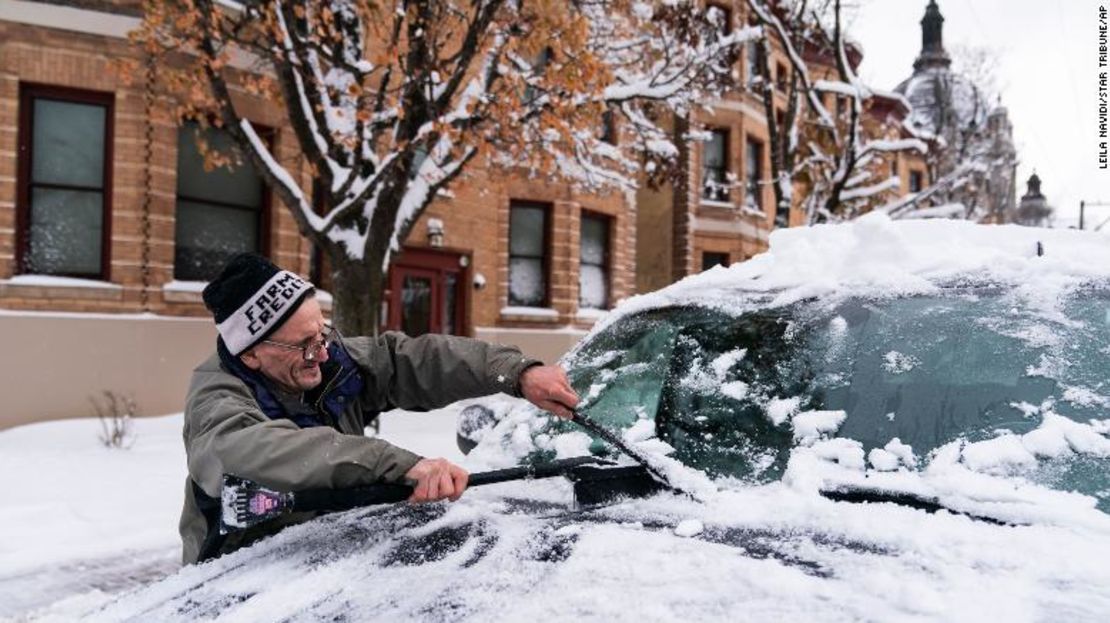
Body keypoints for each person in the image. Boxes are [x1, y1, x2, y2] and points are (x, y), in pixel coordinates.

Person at [179, 253, 579, 564]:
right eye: (304, 345)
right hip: (244, 583)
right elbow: (255, 453)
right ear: (250, 355)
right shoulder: (217, 400)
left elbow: (410, 360)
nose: (320, 353)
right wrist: (398, 465)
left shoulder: (329, 359)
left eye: (321, 333)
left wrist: (516, 373)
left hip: (333, 560)